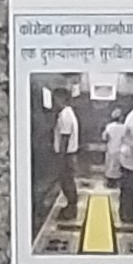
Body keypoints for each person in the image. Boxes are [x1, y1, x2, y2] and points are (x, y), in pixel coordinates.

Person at [102, 94, 133, 236]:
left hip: (122, 155)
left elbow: (105, 137)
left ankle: (125, 211)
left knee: (125, 185)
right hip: (132, 160)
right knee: (132, 188)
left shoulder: (132, 116)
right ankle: (128, 214)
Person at [47, 89, 80, 230]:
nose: (54, 102)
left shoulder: (65, 115)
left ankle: (71, 208)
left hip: (66, 155)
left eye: (55, 99)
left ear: (62, 99)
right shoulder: (67, 113)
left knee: (67, 181)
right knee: (68, 181)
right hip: (68, 155)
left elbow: (64, 139)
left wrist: (60, 158)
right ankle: (71, 206)